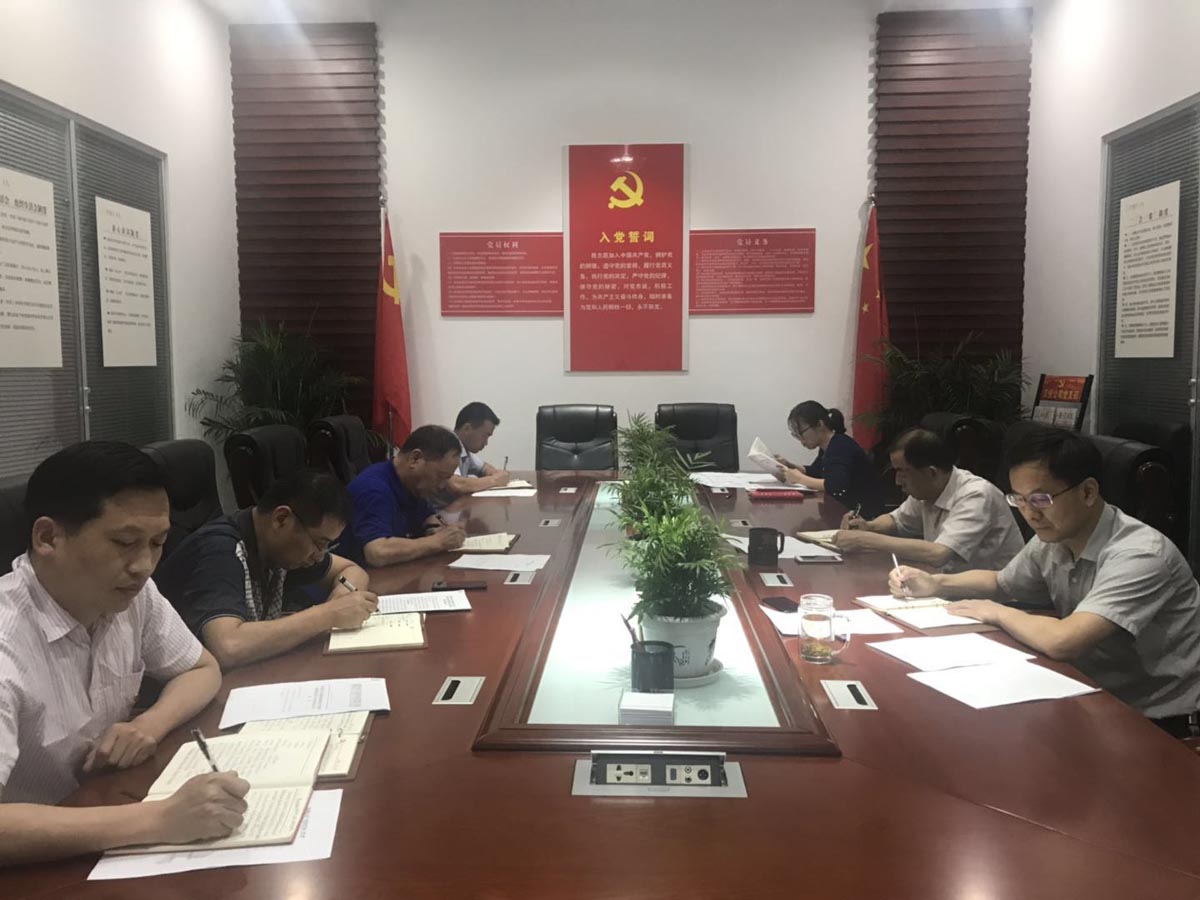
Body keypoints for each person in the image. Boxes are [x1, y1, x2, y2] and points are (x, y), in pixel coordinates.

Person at [0, 442, 249, 865]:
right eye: (125, 542)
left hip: (97, 816)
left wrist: (150, 724)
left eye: (157, 542)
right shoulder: (7, 643)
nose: (144, 565)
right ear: (47, 537)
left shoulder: (132, 596)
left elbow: (202, 668)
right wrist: (160, 820)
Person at [891, 425, 1200, 734]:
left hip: (1159, 722)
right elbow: (1002, 582)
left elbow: (1064, 640)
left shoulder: (1140, 555)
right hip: (1089, 696)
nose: (1030, 514)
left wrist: (996, 612)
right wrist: (934, 584)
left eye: (1040, 499)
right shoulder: (1054, 538)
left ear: (1088, 492)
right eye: (1019, 500)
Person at [155, 469, 377, 671]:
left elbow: (351, 570)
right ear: (281, 519)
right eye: (319, 543)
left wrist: (340, 602)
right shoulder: (219, 552)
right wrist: (328, 615)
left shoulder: (281, 548)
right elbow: (228, 646)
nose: (320, 555)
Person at [833, 427, 1024, 571]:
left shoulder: (976, 495)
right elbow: (897, 521)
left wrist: (867, 540)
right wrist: (868, 526)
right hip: (950, 586)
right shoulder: (926, 490)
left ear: (930, 472)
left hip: (998, 600)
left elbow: (939, 553)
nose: (897, 481)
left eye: (902, 472)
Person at [341, 424, 467, 567]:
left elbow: (429, 518)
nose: (442, 486)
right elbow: (377, 552)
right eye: (440, 476)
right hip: (361, 575)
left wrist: (439, 529)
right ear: (415, 459)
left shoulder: (413, 484)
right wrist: (438, 541)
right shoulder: (373, 489)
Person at [774, 401, 887, 518]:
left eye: (801, 433)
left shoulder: (841, 446)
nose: (800, 439)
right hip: (843, 510)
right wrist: (789, 465)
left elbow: (836, 485)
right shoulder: (828, 446)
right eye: (796, 434)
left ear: (819, 424)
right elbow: (815, 472)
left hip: (863, 516)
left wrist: (800, 479)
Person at [446, 402, 513, 497]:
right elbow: (456, 484)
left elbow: (484, 467)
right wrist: (495, 480)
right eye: (485, 436)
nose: (486, 443)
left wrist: (495, 474)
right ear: (467, 429)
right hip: (442, 507)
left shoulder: (464, 450)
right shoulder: (447, 446)